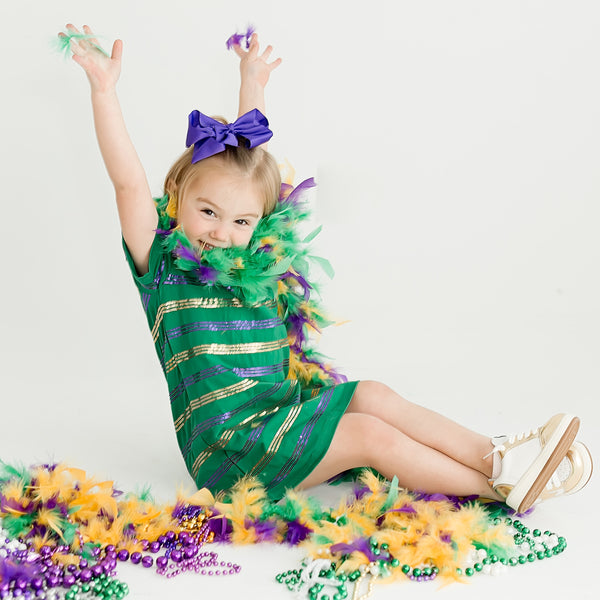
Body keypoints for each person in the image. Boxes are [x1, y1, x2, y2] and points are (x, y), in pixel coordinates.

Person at [61, 24, 592, 512]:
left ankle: (498, 458)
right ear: (176, 197)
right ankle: (499, 490)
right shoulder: (163, 264)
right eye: (207, 213)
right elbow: (129, 183)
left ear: (259, 220)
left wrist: (251, 82)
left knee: (372, 395)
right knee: (368, 435)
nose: (223, 232)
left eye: (242, 220)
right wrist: (104, 92)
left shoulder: (255, 251)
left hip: (282, 412)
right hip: (232, 452)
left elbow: (255, 164)